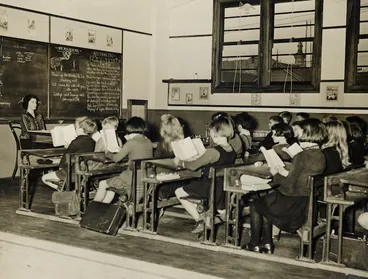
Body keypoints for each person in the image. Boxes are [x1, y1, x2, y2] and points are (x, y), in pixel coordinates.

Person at [247, 118, 326, 254]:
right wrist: (285, 172)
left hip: (293, 203)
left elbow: (289, 183)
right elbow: (302, 174)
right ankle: (266, 244)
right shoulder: (320, 154)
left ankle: (255, 243)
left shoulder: (302, 155)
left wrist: (276, 174)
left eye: (298, 130)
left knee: (256, 204)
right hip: (306, 200)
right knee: (265, 203)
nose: (296, 133)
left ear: (307, 132)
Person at [175, 116, 237, 234]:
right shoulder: (231, 149)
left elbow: (193, 166)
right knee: (220, 209)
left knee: (179, 192)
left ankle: (199, 220)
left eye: (211, 131)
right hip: (223, 187)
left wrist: (180, 162)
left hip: (209, 186)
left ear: (215, 132)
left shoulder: (213, 151)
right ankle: (225, 221)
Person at [93, 117, 153, 204]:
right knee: (111, 188)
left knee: (103, 184)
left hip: (131, 180)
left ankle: (94, 209)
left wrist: (108, 153)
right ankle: (103, 209)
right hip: (144, 178)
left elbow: (116, 158)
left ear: (129, 129)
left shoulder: (131, 142)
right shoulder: (148, 141)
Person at [42, 117, 97, 191]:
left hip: (71, 173)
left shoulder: (75, 142)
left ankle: (62, 188)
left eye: (76, 128)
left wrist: (60, 166)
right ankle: (66, 188)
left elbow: (66, 157)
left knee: (44, 178)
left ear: (81, 129)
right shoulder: (92, 141)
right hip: (83, 171)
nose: (75, 130)